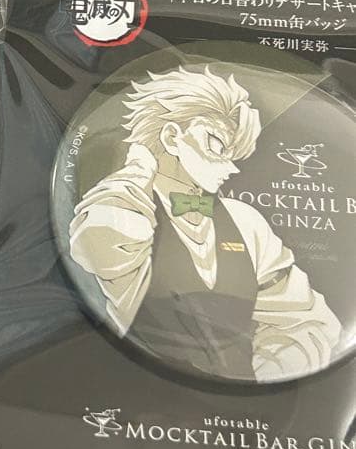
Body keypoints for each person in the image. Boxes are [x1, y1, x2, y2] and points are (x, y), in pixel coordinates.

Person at [69, 67, 341, 382]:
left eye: (234, 154)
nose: (231, 168)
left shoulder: (244, 219)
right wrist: (139, 169)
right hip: (138, 383)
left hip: (247, 395)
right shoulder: (126, 213)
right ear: (171, 137)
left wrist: (267, 375)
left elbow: (302, 319)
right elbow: (99, 241)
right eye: (217, 145)